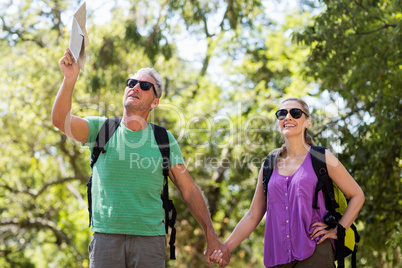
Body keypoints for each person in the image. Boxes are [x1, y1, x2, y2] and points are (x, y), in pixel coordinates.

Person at [52, 48, 230, 267]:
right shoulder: (101, 129)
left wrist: (210, 234)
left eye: (145, 86)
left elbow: (189, 190)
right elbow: (61, 120)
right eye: (131, 83)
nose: (135, 87)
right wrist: (70, 78)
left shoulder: (164, 139)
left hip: (150, 242)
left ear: (155, 102)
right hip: (105, 239)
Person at [209, 97, 365, 267]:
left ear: (307, 122)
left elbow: (357, 195)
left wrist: (339, 229)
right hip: (277, 256)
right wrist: (226, 247)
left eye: (295, 113)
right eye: (282, 113)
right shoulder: (269, 163)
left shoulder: (322, 157)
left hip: (316, 252)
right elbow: (253, 215)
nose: (287, 117)